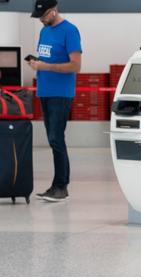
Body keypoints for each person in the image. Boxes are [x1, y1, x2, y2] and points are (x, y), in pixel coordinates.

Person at [28, 0, 82, 202]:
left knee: (56, 139)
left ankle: (60, 186)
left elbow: (76, 65)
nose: (41, 20)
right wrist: (36, 64)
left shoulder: (70, 31)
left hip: (61, 93)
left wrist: (45, 67)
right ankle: (59, 185)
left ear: (53, 11)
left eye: (43, 16)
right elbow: (46, 59)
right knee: (54, 140)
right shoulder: (44, 31)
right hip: (45, 91)